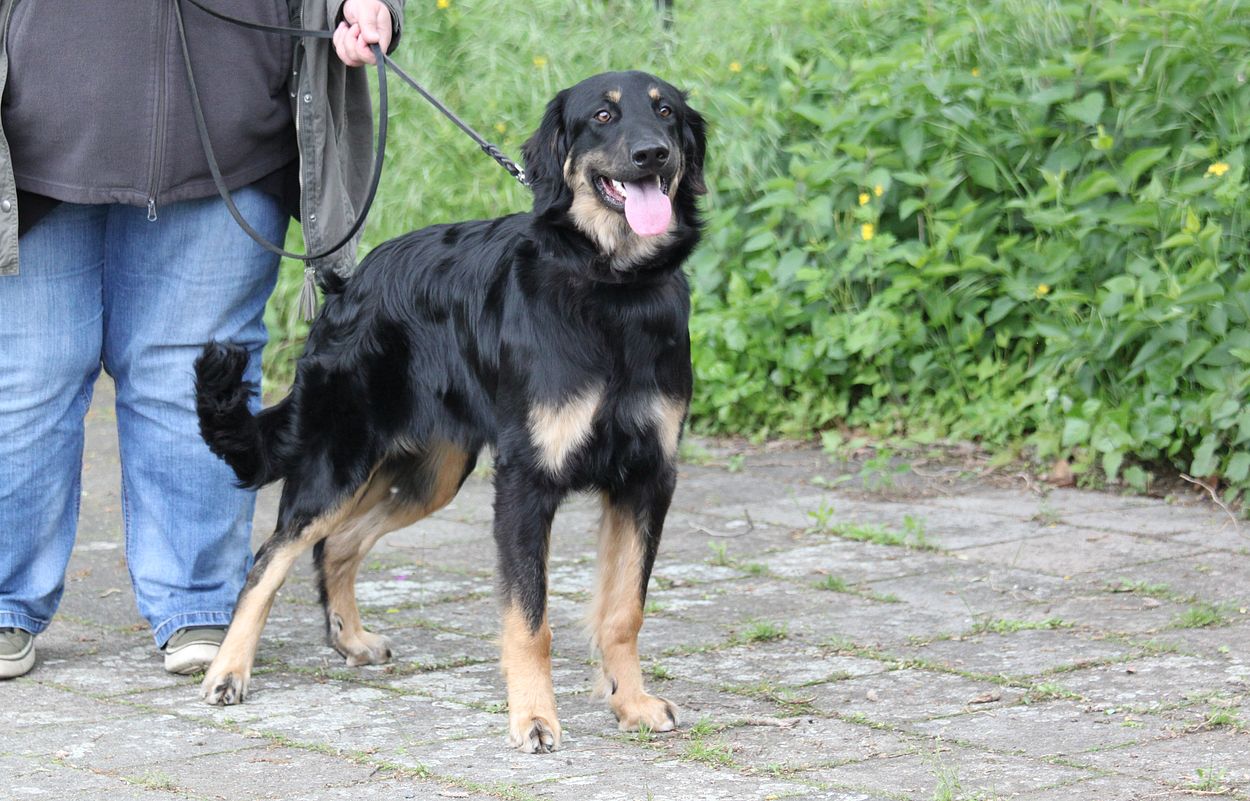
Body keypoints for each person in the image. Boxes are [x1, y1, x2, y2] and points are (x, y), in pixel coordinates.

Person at [0, 0, 404, 679]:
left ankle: (197, 600)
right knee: (27, 379)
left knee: (194, 378)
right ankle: (5, 600)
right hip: (31, 135)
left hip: (232, 133)